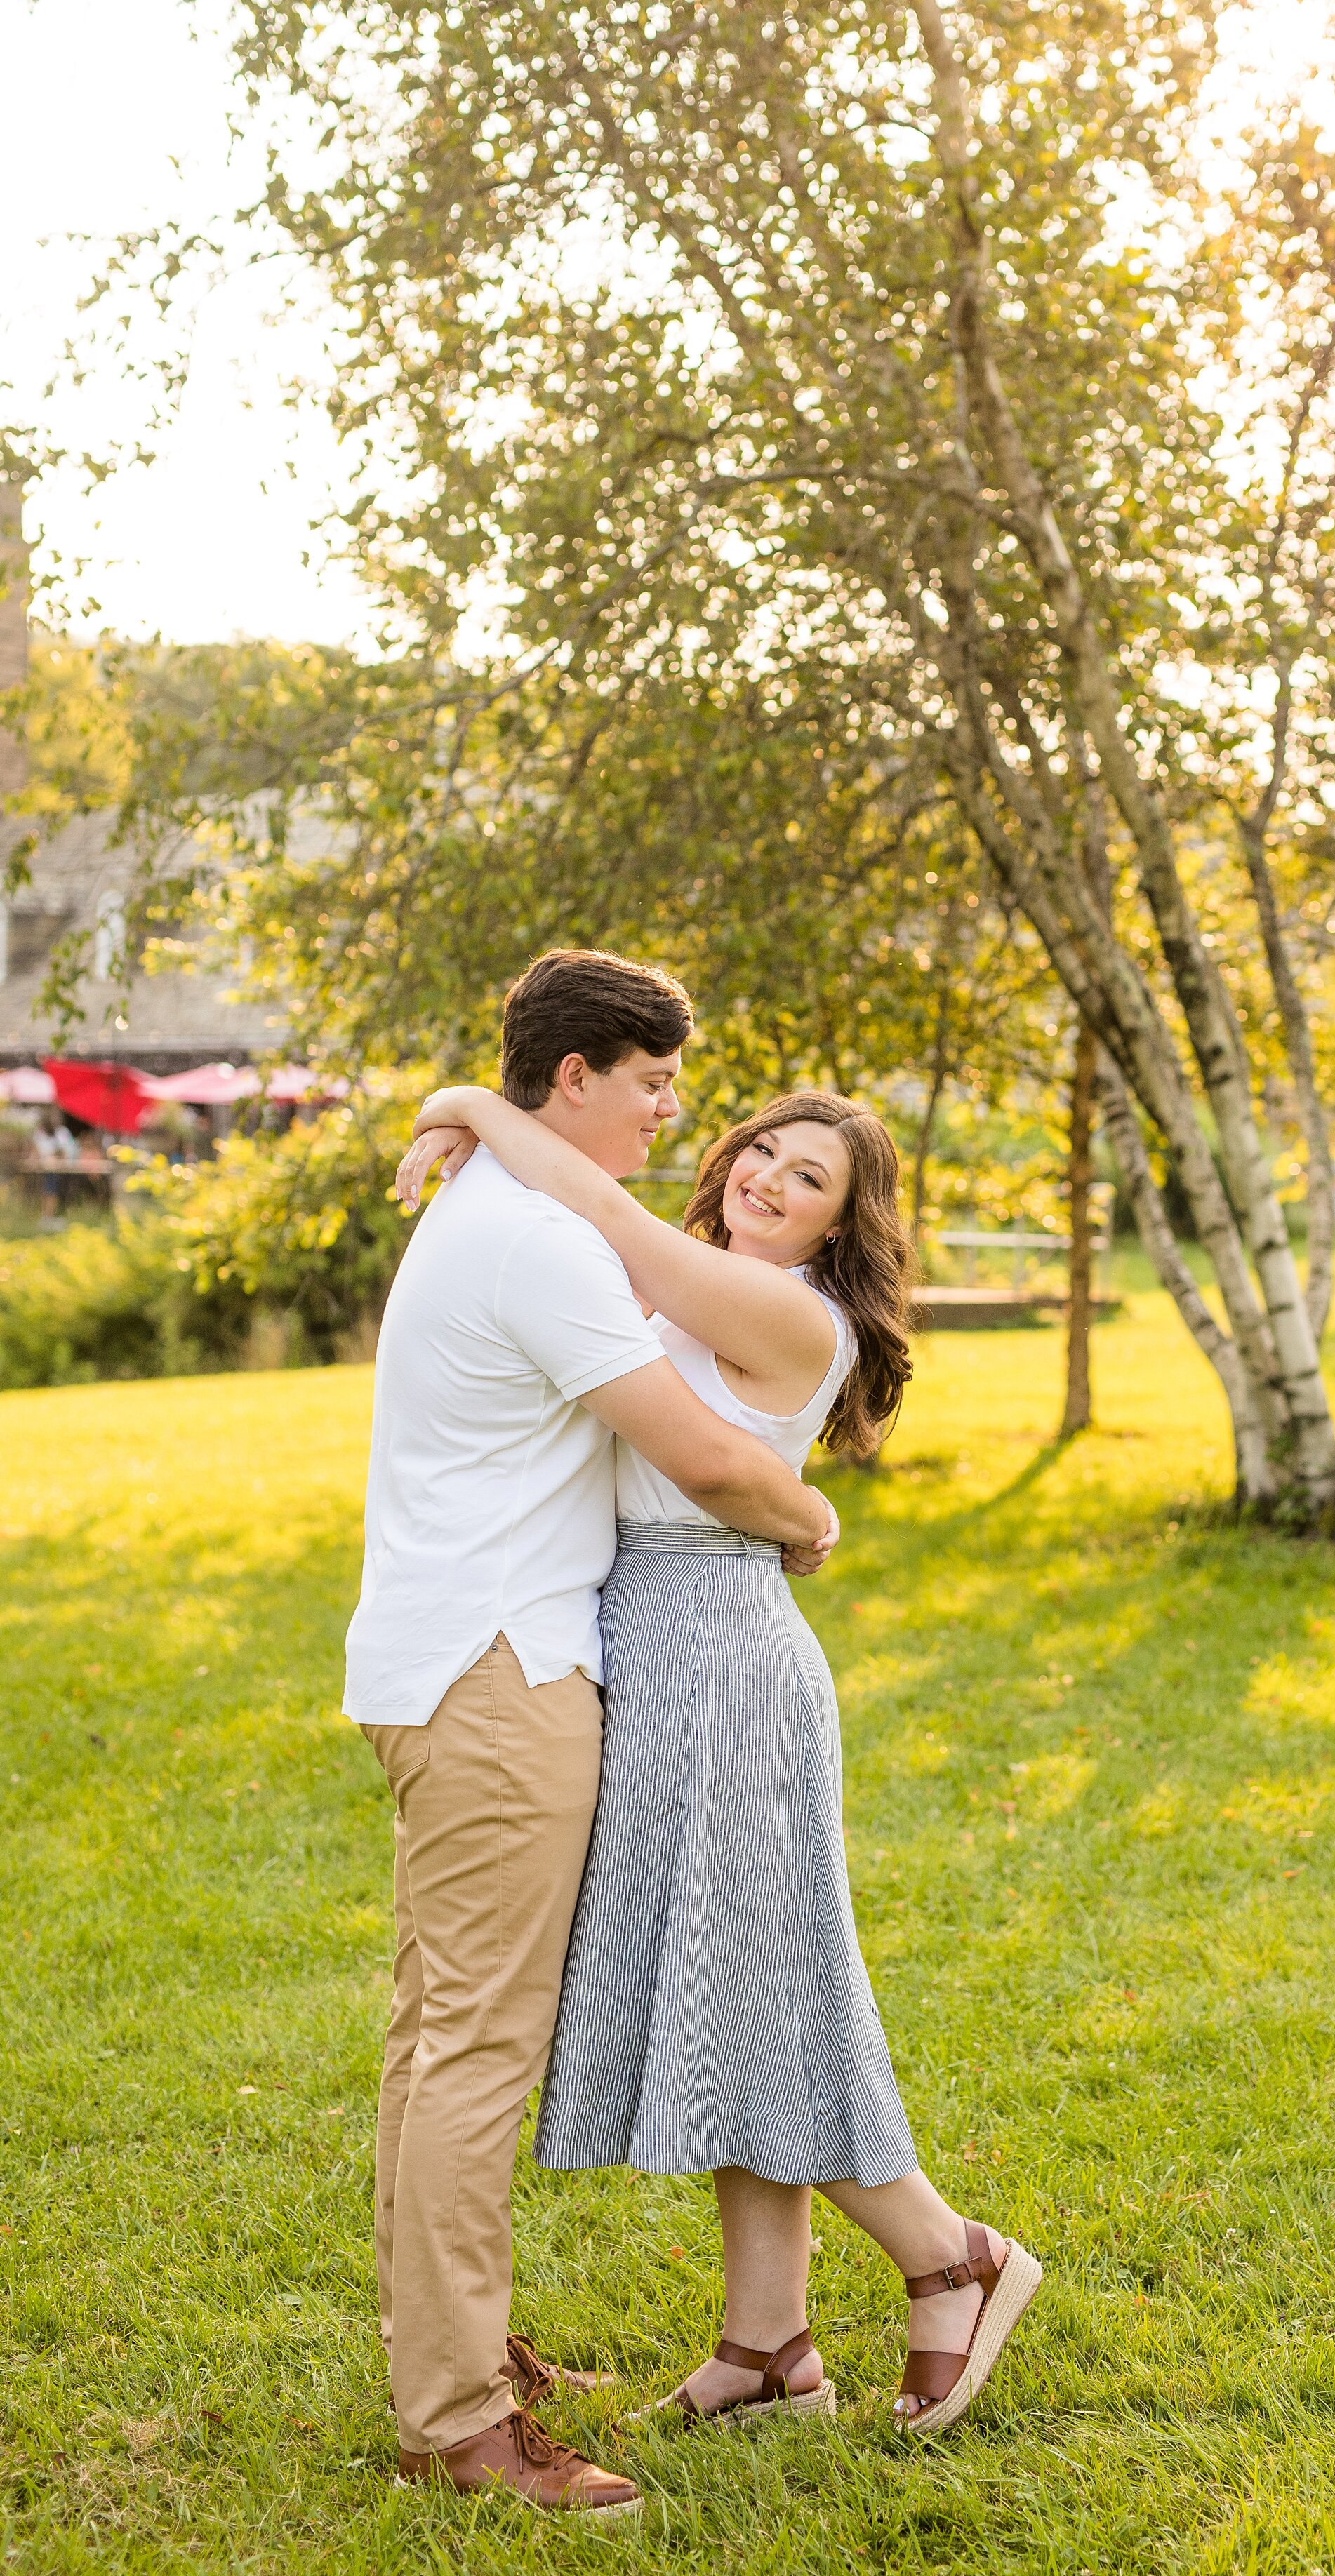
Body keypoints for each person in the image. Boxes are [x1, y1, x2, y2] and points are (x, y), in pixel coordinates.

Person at [398, 1079, 1043, 2438]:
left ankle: (950, 2257)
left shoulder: (779, 1308)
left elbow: (598, 1208)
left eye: (808, 1179)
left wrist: (468, 1103)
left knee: (772, 1984)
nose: (766, 1180)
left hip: (722, 1662)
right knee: (736, 1982)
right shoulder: (695, 1295)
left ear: (836, 1224)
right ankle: (766, 2353)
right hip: (661, 1642)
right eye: (762, 1149)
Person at [347, 949, 838, 2516]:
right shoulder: (536, 1243)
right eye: (650, 1083)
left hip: (448, 1656)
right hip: (502, 1672)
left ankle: (457, 2353)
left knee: (439, 2037)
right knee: (476, 2048)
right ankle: (459, 2421)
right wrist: (808, 1512)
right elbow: (707, 1457)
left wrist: (456, 1110)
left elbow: (569, 1182)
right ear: (574, 1083)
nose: (670, 1111)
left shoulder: (500, 1201)